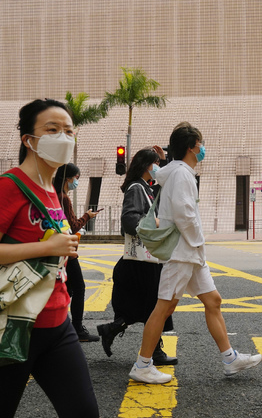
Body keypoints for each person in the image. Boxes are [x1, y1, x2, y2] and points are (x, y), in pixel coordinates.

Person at [0, 99, 98, 417]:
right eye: (52, 129)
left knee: (83, 412)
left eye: (69, 131)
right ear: (29, 139)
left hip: (57, 324)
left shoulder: (52, 189)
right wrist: (47, 247)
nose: (64, 137)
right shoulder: (8, 186)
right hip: (8, 327)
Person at [128, 122, 262, 384]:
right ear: (191, 147)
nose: (203, 149)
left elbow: (159, 173)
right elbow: (183, 212)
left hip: (190, 253)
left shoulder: (176, 171)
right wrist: (199, 240)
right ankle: (142, 365)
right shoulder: (182, 175)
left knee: (213, 301)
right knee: (163, 308)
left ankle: (230, 359)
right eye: (200, 144)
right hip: (183, 252)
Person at [96, 146, 176, 365]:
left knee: (147, 306)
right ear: (146, 166)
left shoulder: (145, 187)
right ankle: (154, 352)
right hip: (143, 261)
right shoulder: (136, 188)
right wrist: (157, 223)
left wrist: (164, 158)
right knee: (156, 305)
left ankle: (111, 330)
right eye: (156, 164)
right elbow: (129, 221)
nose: (159, 167)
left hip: (145, 260)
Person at [54, 163, 100, 342]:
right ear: (68, 178)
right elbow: (72, 226)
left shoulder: (54, 195)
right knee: (79, 287)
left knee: (68, 288)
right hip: (67, 250)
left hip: (58, 249)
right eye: (77, 178)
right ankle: (78, 329)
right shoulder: (63, 198)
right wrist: (87, 216)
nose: (77, 182)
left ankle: (62, 324)